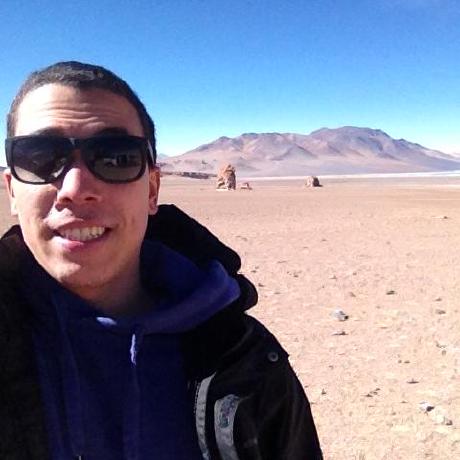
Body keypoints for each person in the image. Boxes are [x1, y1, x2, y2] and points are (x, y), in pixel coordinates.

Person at [0, 61, 323, 460]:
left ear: (152, 190)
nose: (75, 188)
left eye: (115, 158)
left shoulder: (246, 362)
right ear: (12, 191)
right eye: (40, 157)